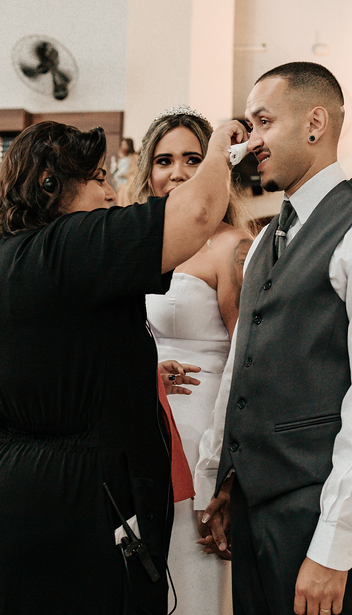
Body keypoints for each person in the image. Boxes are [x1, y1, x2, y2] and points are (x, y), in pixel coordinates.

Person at [0, 118, 246, 615]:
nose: (112, 193)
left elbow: (45, 363)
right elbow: (198, 213)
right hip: (55, 506)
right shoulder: (69, 242)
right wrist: (219, 145)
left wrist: (130, 377)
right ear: (52, 184)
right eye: (98, 178)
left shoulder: (10, 257)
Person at [194, 62, 352, 615]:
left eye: (263, 122)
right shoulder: (266, 238)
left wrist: (333, 548)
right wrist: (221, 477)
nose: (249, 142)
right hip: (255, 509)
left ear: (315, 123)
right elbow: (242, 368)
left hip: (323, 518)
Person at [131, 105, 253, 615]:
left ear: (217, 166)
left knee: (195, 580)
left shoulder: (232, 247)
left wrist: (227, 470)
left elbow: (248, 362)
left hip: (204, 429)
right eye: (164, 160)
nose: (177, 173)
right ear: (148, 172)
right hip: (143, 425)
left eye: (192, 159)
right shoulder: (135, 245)